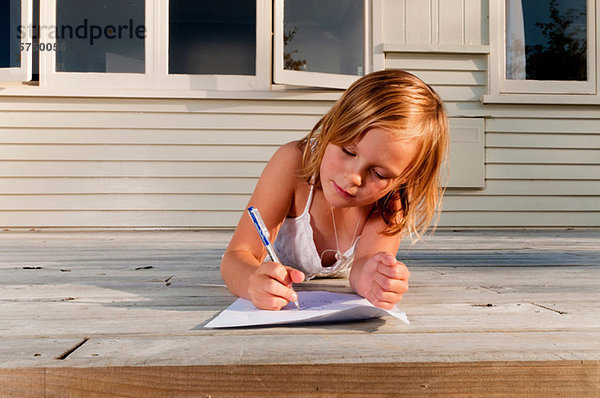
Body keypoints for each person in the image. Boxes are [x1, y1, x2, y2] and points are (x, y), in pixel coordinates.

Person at [221, 69, 449, 311]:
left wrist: (376, 280)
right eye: (348, 151)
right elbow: (236, 255)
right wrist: (252, 282)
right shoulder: (293, 163)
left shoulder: (390, 201)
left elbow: (362, 268)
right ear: (332, 126)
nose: (353, 177)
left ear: (403, 179)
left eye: (380, 174)